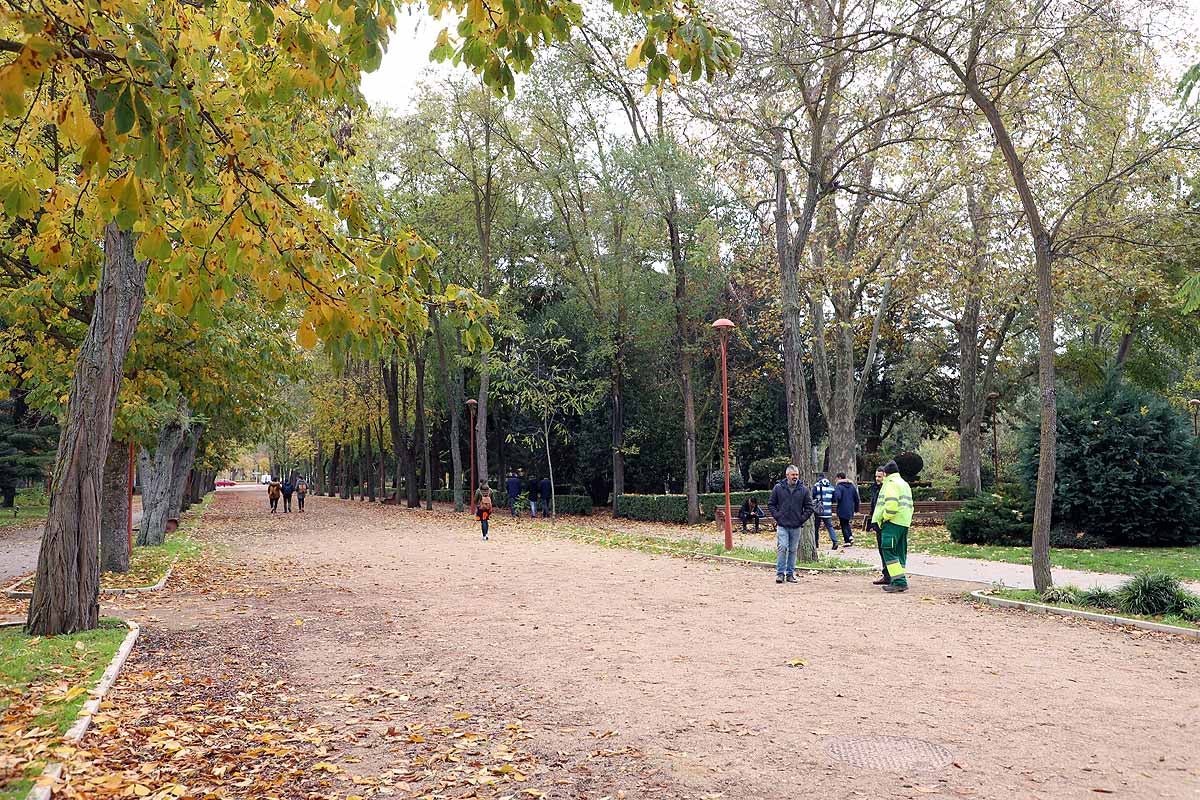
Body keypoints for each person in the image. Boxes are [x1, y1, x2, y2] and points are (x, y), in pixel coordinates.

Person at [767, 465, 815, 584]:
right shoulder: (778, 488)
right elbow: (771, 504)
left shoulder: (803, 489)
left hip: (796, 525)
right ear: (787, 475)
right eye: (793, 475)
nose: (795, 477)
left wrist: (801, 519)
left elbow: (809, 507)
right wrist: (778, 516)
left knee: (793, 550)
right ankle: (779, 574)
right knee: (782, 547)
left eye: (797, 475)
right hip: (782, 524)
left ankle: (790, 574)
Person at [872, 460, 914, 593]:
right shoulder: (904, 484)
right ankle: (898, 578)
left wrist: (884, 518)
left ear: (885, 473)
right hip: (904, 522)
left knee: (888, 550)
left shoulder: (890, 484)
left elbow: (891, 505)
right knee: (899, 552)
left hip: (892, 523)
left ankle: (899, 581)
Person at [864, 467, 888, 584]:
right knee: (881, 550)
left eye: (880, 476)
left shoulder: (887, 489)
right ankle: (886, 574)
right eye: (876, 476)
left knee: (887, 550)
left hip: (886, 523)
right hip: (877, 523)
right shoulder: (876, 489)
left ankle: (890, 575)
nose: (877, 479)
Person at [811, 473, 838, 549]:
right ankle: (835, 541)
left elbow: (812, 495)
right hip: (828, 510)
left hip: (818, 510)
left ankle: (816, 543)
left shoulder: (816, 486)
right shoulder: (831, 487)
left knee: (816, 527)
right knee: (829, 526)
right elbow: (834, 499)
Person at [832, 472, 859, 547]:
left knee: (843, 524)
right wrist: (856, 509)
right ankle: (850, 537)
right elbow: (856, 498)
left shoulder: (839, 486)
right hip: (850, 509)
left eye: (836, 478)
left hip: (842, 508)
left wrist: (834, 498)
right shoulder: (852, 486)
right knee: (846, 523)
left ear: (839, 478)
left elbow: (838, 497)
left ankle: (847, 540)